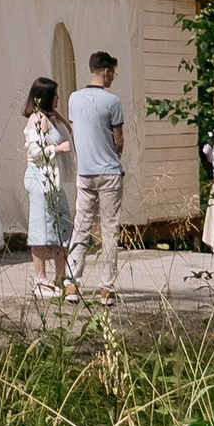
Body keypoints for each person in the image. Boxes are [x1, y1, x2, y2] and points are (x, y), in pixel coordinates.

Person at [66, 51, 126, 297]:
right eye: (112, 72)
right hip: (109, 171)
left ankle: (72, 281)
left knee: (81, 225)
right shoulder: (113, 102)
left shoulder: (73, 99)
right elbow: (119, 140)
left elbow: (75, 129)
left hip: (85, 170)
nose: (112, 77)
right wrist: (114, 153)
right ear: (105, 71)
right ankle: (106, 286)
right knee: (110, 229)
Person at [21, 75, 72, 299]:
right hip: (40, 179)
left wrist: (58, 116)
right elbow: (34, 152)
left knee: (62, 226)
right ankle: (40, 279)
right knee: (41, 227)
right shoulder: (36, 119)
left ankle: (61, 278)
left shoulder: (51, 118)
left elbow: (69, 128)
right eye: (55, 95)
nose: (58, 98)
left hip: (53, 179)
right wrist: (59, 149)